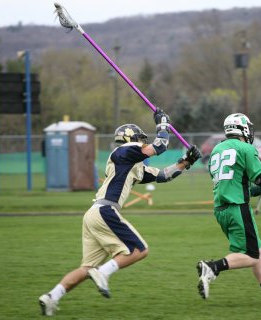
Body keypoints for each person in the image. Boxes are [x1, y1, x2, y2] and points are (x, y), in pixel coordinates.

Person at [39, 108, 202, 316]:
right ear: (131, 139)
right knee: (140, 250)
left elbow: (163, 176)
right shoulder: (125, 151)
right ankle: (104, 273)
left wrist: (186, 162)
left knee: (86, 268)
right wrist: (162, 124)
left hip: (94, 213)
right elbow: (159, 146)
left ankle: (51, 297)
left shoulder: (131, 163)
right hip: (106, 210)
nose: (143, 142)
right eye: (140, 139)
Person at [196, 113, 261, 307]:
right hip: (237, 208)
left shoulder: (216, 150)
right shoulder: (246, 148)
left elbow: (235, 183)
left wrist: (255, 190)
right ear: (243, 129)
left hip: (221, 209)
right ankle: (212, 267)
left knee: (258, 250)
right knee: (251, 256)